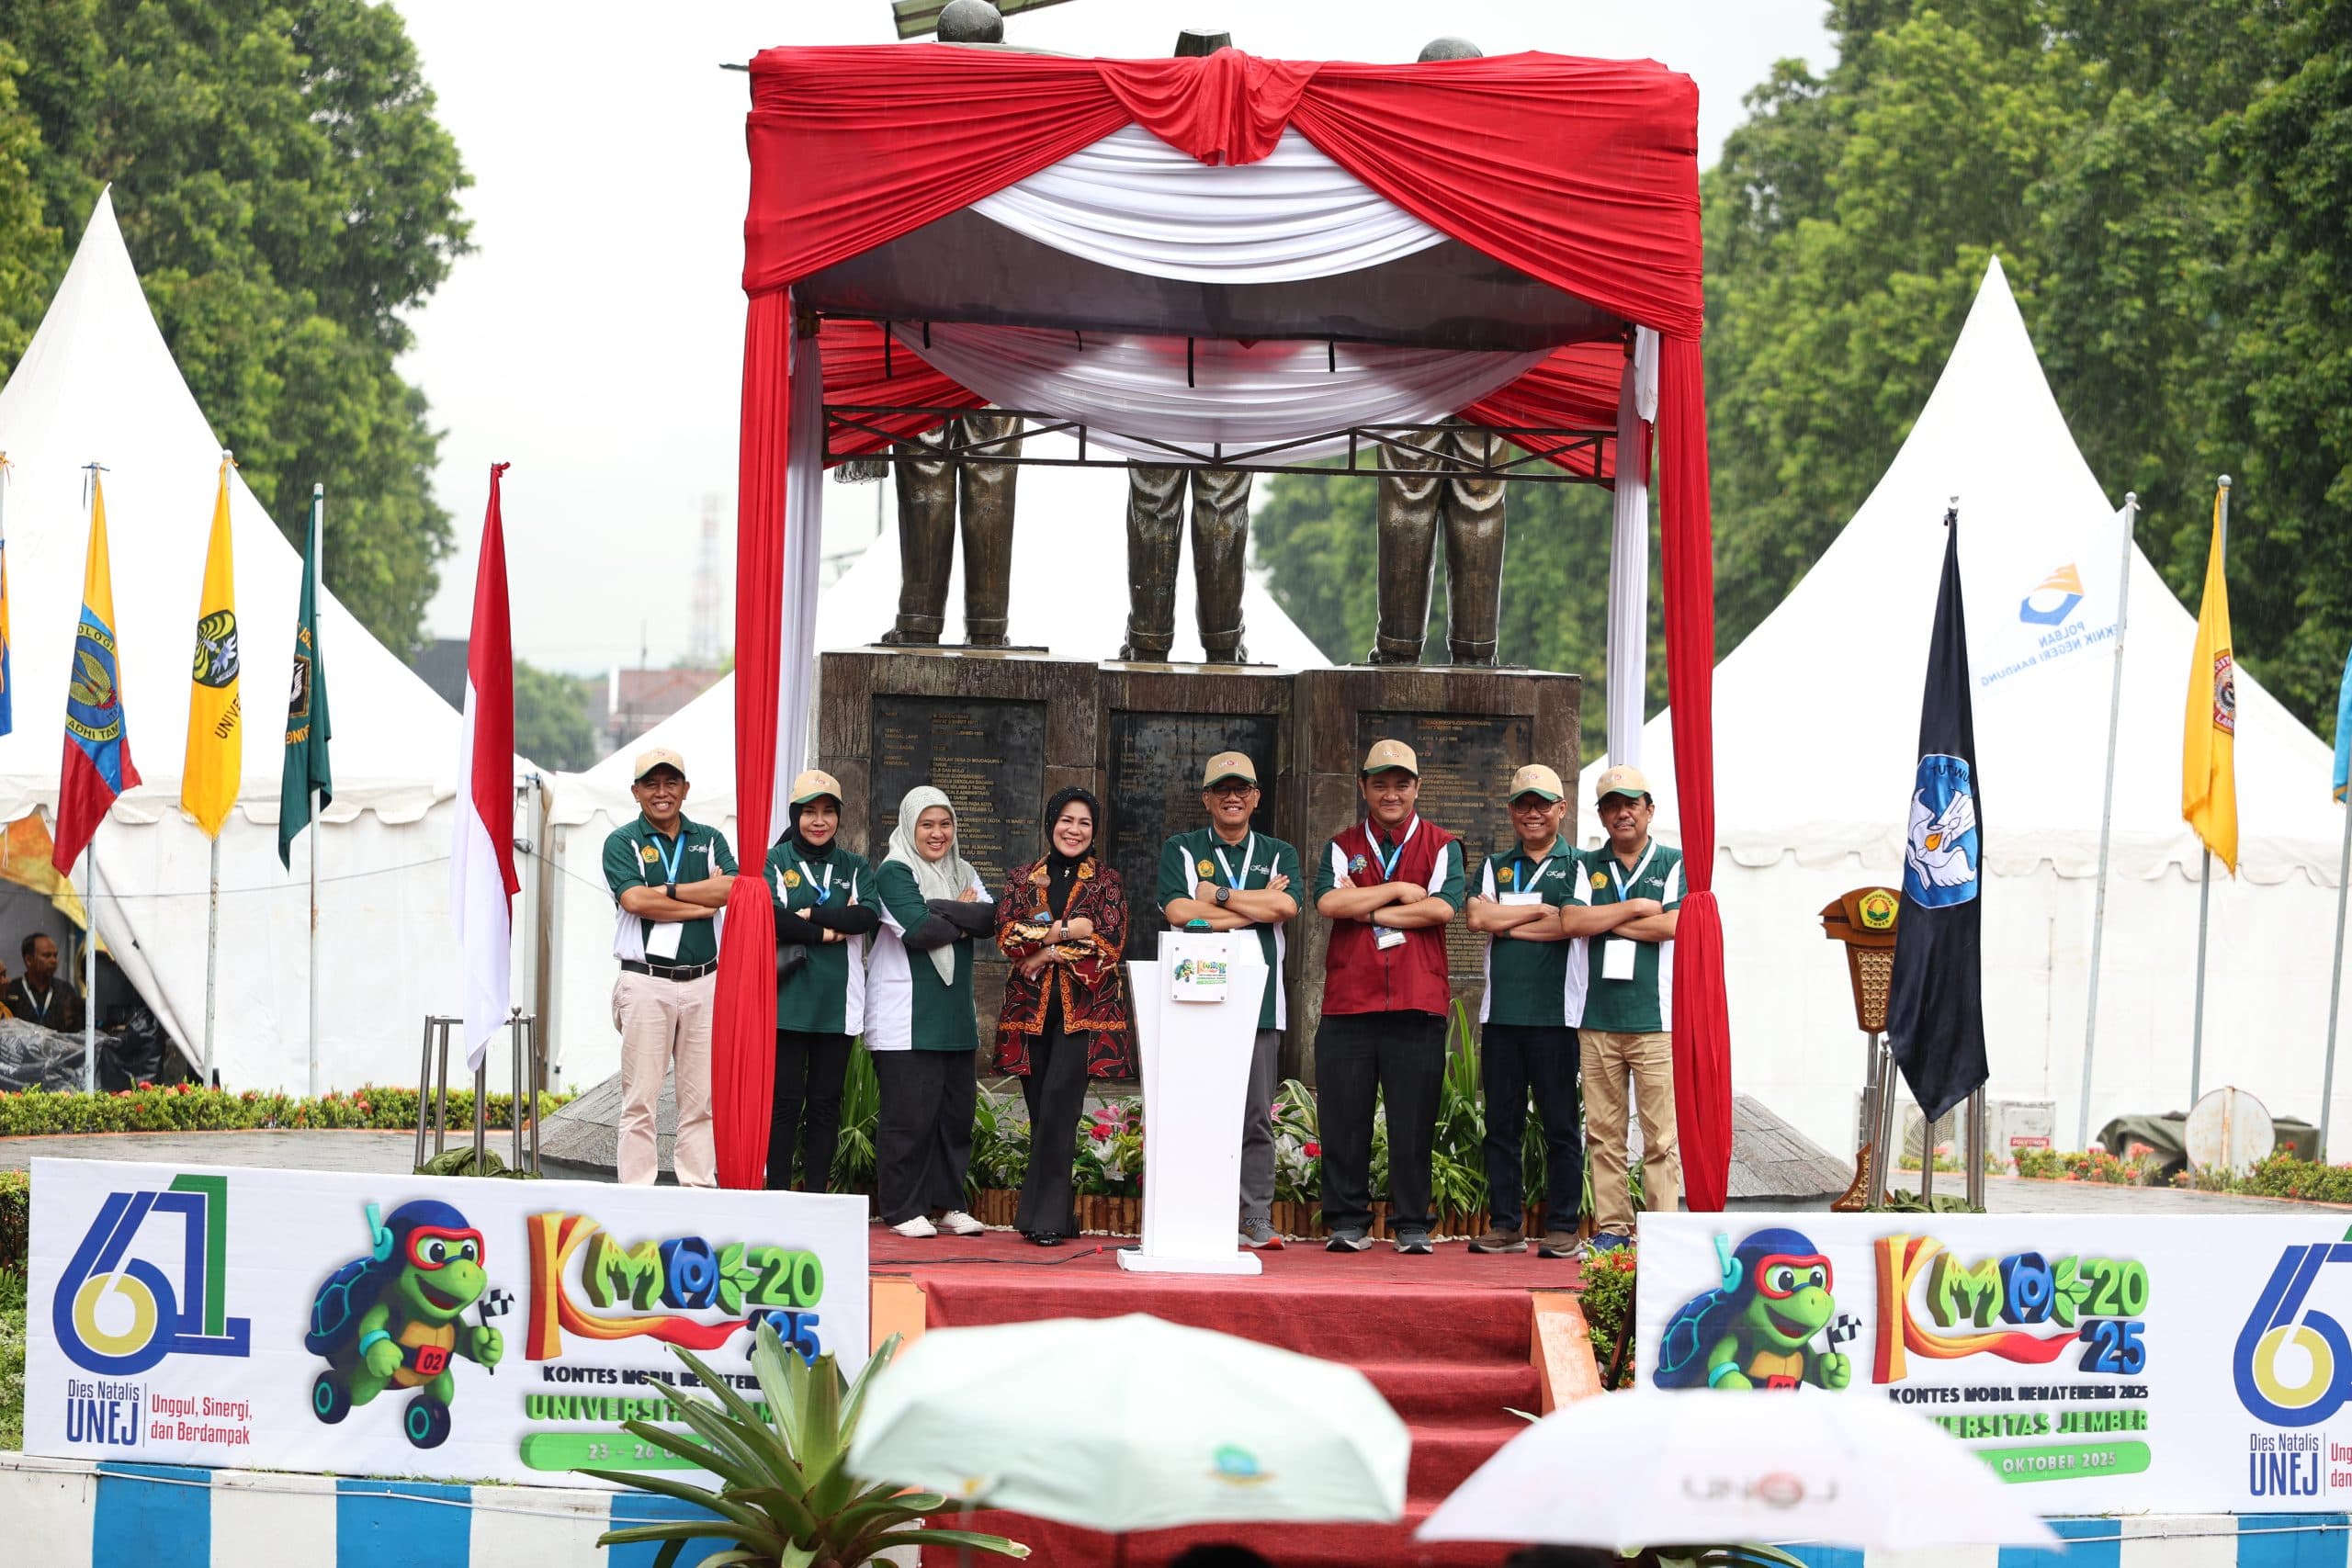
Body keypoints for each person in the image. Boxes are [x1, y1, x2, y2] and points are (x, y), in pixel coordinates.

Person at [1311, 739, 1464, 1255]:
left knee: (1413, 1119)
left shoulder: (1443, 844)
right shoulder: (1342, 843)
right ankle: (1347, 1220)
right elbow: (1329, 902)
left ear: (1417, 787)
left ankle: (1412, 1222)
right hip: (1349, 1001)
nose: (1391, 793)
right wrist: (1398, 891)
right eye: (1380, 783)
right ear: (1364, 787)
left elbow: (1442, 910)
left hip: (1417, 1002)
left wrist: (1367, 910)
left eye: (1401, 783)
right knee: (1343, 1118)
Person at [1158, 750, 1301, 1249]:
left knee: (1256, 1115)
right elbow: (1178, 910)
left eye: (1242, 789)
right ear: (1207, 799)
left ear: (1256, 797)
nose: (1233, 797)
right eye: (1222, 790)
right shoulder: (1182, 847)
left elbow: (1285, 905)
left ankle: (1255, 1216)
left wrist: (1215, 895)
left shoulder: (1280, 851)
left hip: (1260, 1000)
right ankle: (1197, 1211)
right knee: (1195, 1106)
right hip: (1195, 995)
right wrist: (1252, 907)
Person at [994, 785, 1132, 1246]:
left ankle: (1045, 1219)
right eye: (1066, 820)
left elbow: (1108, 945)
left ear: (1094, 831)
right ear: (1051, 823)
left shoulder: (1106, 882)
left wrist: (1043, 952)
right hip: (1029, 1014)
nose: (1074, 830)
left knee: (1059, 1107)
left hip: (1084, 1015)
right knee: (1042, 1114)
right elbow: (1009, 936)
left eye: (1084, 823)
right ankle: (1059, 1214)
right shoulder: (1022, 878)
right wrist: (1067, 931)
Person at [1463, 763, 1589, 1258]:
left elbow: (1571, 925)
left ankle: (1562, 1226)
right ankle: (1506, 1224)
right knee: (1502, 1127)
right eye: (1523, 804)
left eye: (1542, 803)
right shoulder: (1496, 864)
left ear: (1562, 808)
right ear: (1511, 811)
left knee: (1560, 1126)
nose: (1532, 812)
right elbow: (1476, 917)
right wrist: (1538, 912)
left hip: (1558, 1017)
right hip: (1502, 1018)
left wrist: (1507, 922)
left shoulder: (1580, 864)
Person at [601, 748, 736, 1187]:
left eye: (671, 782)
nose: (662, 793)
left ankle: (696, 1185)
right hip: (646, 982)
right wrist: (701, 904)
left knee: (701, 1097)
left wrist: (671, 890)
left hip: (704, 980)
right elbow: (635, 900)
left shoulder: (710, 836)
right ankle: (636, 1191)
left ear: (685, 788)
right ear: (637, 791)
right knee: (640, 1096)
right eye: (652, 784)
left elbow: (732, 890)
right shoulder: (623, 840)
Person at [868, 784, 995, 1238]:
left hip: (954, 1019)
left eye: (945, 824)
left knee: (953, 1118)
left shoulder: (965, 868)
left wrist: (949, 912)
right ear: (909, 826)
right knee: (909, 1119)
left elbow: (989, 919)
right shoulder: (894, 872)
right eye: (927, 824)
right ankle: (903, 1208)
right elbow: (919, 931)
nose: (937, 833)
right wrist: (961, 911)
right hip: (906, 1018)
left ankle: (949, 1205)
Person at [1570, 764, 1683, 1251]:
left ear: (1649, 810)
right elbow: (1573, 920)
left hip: (1656, 1021)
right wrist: (1637, 908)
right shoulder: (1586, 864)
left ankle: (1659, 1230)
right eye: (1612, 805)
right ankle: (1612, 1227)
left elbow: (1674, 926)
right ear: (1601, 815)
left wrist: (1606, 921)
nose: (1622, 813)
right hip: (1597, 1019)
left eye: (1630, 804)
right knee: (1603, 1134)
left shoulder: (1674, 862)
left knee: (1661, 1138)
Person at [765, 770, 881, 1193]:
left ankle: (816, 1194)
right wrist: (829, 931)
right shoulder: (775, 861)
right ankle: (776, 1192)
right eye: (810, 812)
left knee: (825, 1105)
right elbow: (770, 917)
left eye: (828, 812)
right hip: (787, 1001)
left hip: (838, 1003)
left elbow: (865, 917)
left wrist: (810, 916)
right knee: (783, 1104)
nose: (819, 821)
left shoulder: (853, 865)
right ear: (795, 815)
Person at [3, 933, 85, 1033]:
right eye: (47, 955)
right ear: (29, 960)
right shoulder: (11, 990)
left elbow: (77, 1032)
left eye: (55, 955)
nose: (54, 960)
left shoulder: (65, 990)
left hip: (59, 1048)